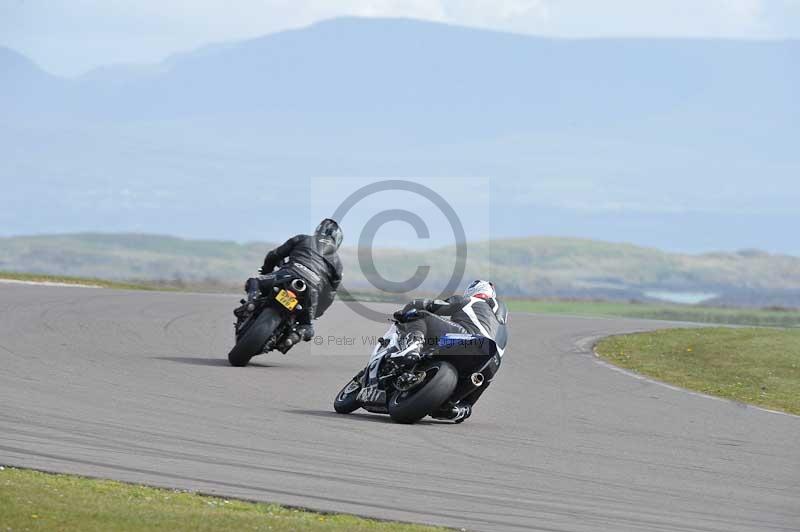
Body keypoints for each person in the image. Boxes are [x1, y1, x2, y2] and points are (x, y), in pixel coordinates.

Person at [393, 279, 508, 423]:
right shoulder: (503, 331)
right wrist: (466, 405)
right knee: (471, 394)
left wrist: (408, 309)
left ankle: (412, 348)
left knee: (420, 315)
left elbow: (433, 306)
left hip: (470, 339)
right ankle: (456, 409)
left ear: (473, 290)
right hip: (489, 366)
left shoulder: (470, 300)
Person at [245, 219, 343, 343]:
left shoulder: (303, 238)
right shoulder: (338, 264)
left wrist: (266, 270)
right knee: (307, 326)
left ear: (319, 230)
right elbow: (329, 296)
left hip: (288, 275)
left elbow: (274, 255)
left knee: (254, 282)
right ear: (337, 240)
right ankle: (295, 336)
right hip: (311, 291)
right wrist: (316, 312)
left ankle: (252, 303)